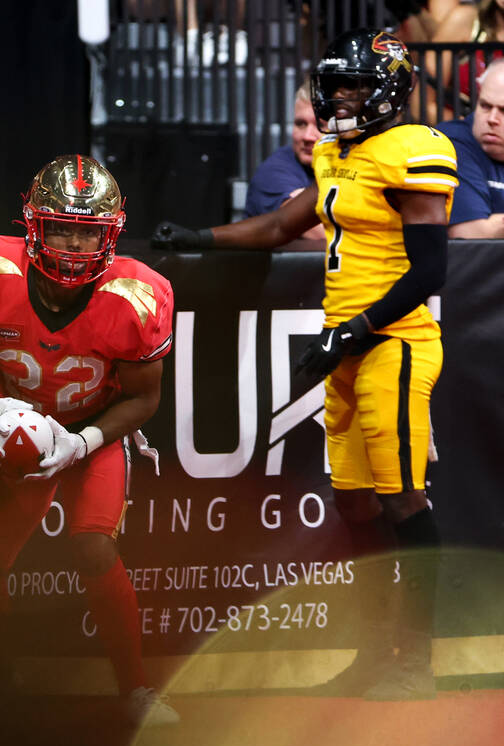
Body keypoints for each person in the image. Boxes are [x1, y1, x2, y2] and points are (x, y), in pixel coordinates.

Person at [152, 29, 455, 701]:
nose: (342, 98)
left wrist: (350, 332)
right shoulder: (332, 154)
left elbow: (431, 270)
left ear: (389, 91)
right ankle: (376, 648)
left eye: (354, 87)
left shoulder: (415, 151)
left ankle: (418, 655)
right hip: (345, 343)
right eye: (336, 86)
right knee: (353, 503)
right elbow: (282, 225)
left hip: (394, 342)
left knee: (404, 497)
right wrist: (200, 238)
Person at [0, 154, 178, 726]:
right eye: (60, 227)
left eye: (86, 231)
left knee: (93, 544)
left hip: (93, 427)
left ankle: (134, 689)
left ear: (110, 233)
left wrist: (82, 442)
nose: (71, 244)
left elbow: (143, 399)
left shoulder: (138, 296)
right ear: (32, 224)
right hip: (10, 425)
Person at [244, 83, 324, 240]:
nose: (307, 136)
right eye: (300, 124)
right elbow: (319, 231)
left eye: (320, 125)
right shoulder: (274, 172)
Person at [438, 58, 504, 236]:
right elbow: (470, 234)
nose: (492, 118)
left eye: (503, 111)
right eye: (485, 106)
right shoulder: (451, 143)